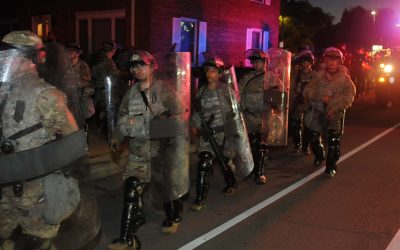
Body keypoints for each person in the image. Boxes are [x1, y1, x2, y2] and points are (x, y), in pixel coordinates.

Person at [0, 31, 86, 249]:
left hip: (35, 191)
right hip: (6, 184)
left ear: (29, 59)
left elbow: (72, 144)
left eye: (8, 56)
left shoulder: (46, 95)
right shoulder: (3, 91)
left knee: (36, 242)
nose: (2, 60)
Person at [108, 50, 190, 250]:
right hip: (137, 152)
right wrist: (117, 137)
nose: (137, 70)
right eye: (134, 67)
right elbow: (122, 117)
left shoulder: (164, 89)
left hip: (160, 152)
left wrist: (166, 123)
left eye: (142, 65)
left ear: (152, 66)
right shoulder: (131, 93)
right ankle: (127, 238)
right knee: (131, 189)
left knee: (164, 189)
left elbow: (182, 113)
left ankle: (173, 217)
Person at [191, 55, 252, 211]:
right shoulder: (202, 92)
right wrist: (196, 125)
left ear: (219, 73)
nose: (209, 74)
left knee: (225, 162)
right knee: (204, 162)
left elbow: (236, 112)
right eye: (207, 71)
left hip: (223, 135)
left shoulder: (226, 91)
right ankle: (200, 199)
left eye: (213, 71)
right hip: (207, 135)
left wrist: (235, 133)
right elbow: (197, 113)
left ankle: (231, 182)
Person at [303, 47, 356, 177]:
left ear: (339, 62)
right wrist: (320, 97)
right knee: (313, 136)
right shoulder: (318, 76)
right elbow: (308, 91)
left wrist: (335, 104)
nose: (332, 63)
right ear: (325, 61)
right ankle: (320, 155)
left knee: (333, 141)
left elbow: (349, 95)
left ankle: (331, 166)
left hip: (335, 111)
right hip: (318, 109)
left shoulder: (344, 78)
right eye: (329, 60)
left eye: (335, 60)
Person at [238, 48, 283, 185]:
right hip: (248, 116)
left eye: (258, 61)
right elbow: (238, 92)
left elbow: (279, 95)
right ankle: (252, 168)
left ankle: (260, 173)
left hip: (263, 116)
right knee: (250, 145)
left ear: (264, 62)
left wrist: (273, 102)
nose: (255, 64)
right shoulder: (247, 77)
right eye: (254, 62)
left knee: (261, 145)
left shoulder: (271, 77)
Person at [91, 41, 120, 140]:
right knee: (109, 112)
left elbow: (93, 75)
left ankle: (100, 130)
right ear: (111, 51)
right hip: (107, 91)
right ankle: (107, 134)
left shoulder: (98, 61)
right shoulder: (108, 62)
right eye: (114, 50)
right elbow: (115, 75)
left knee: (102, 111)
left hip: (99, 90)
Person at [290, 50, 315, 154]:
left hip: (310, 104)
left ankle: (305, 147)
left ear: (311, 63)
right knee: (296, 126)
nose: (305, 64)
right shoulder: (296, 76)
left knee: (308, 127)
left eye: (307, 62)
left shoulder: (315, 76)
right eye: (303, 62)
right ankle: (297, 146)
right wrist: (293, 100)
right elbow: (292, 88)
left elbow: (318, 89)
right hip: (298, 103)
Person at [66, 44, 95, 127]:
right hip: (68, 97)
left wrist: (77, 84)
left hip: (79, 97)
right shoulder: (64, 64)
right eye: (68, 51)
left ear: (77, 54)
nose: (70, 53)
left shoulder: (82, 65)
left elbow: (88, 83)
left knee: (80, 123)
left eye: (72, 52)